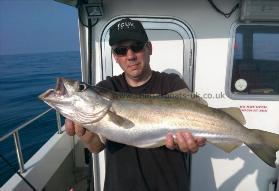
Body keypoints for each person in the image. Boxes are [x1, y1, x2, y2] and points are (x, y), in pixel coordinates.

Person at [65, 18, 206, 191]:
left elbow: (192, 132)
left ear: (149, 48)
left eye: (137, 46)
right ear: (115, 57)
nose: (130, 56)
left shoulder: (171, 83)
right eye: (121, 50)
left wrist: (189, 144)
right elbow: (96, 146)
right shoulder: (106, 89)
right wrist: (83, 129)